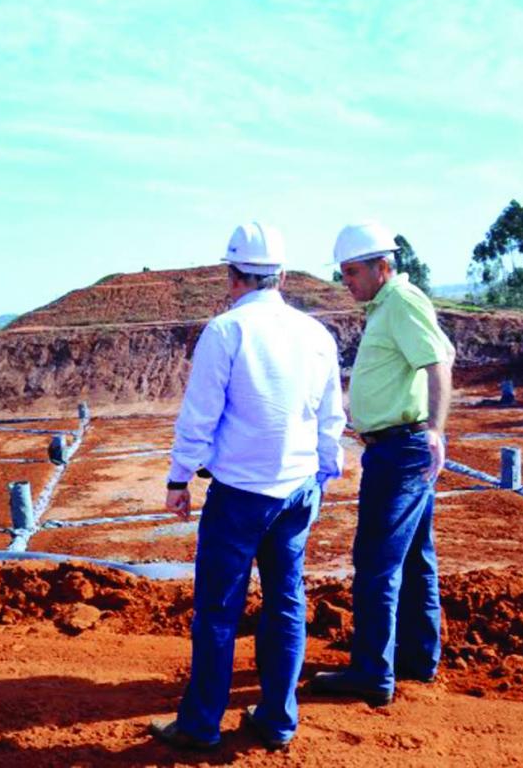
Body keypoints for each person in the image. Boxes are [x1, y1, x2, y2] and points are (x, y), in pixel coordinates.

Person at [150, 222, 345, 752]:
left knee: (218, 610)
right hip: (298, 490)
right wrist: (323, 475)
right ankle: (277, 721)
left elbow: (200, 414)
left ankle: (201, 726)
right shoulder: (316, 334)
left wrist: (179, 477)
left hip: (238, 494)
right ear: (281, 276)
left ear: (233, 276)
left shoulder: (226, 331)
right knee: (286, 601)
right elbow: (331, 416)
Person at [312, 221, 455, 707]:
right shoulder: (388, 306)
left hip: (399, 451)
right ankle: (416, 657)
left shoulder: (401, 301)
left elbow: (438, 361)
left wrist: (435, 429)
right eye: (343, 272)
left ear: (382, 266)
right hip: (396, 447)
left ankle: (372, 672)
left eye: (353, 271)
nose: (346, 280)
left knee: (376, 560)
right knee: (414, 558)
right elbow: (443, 351)